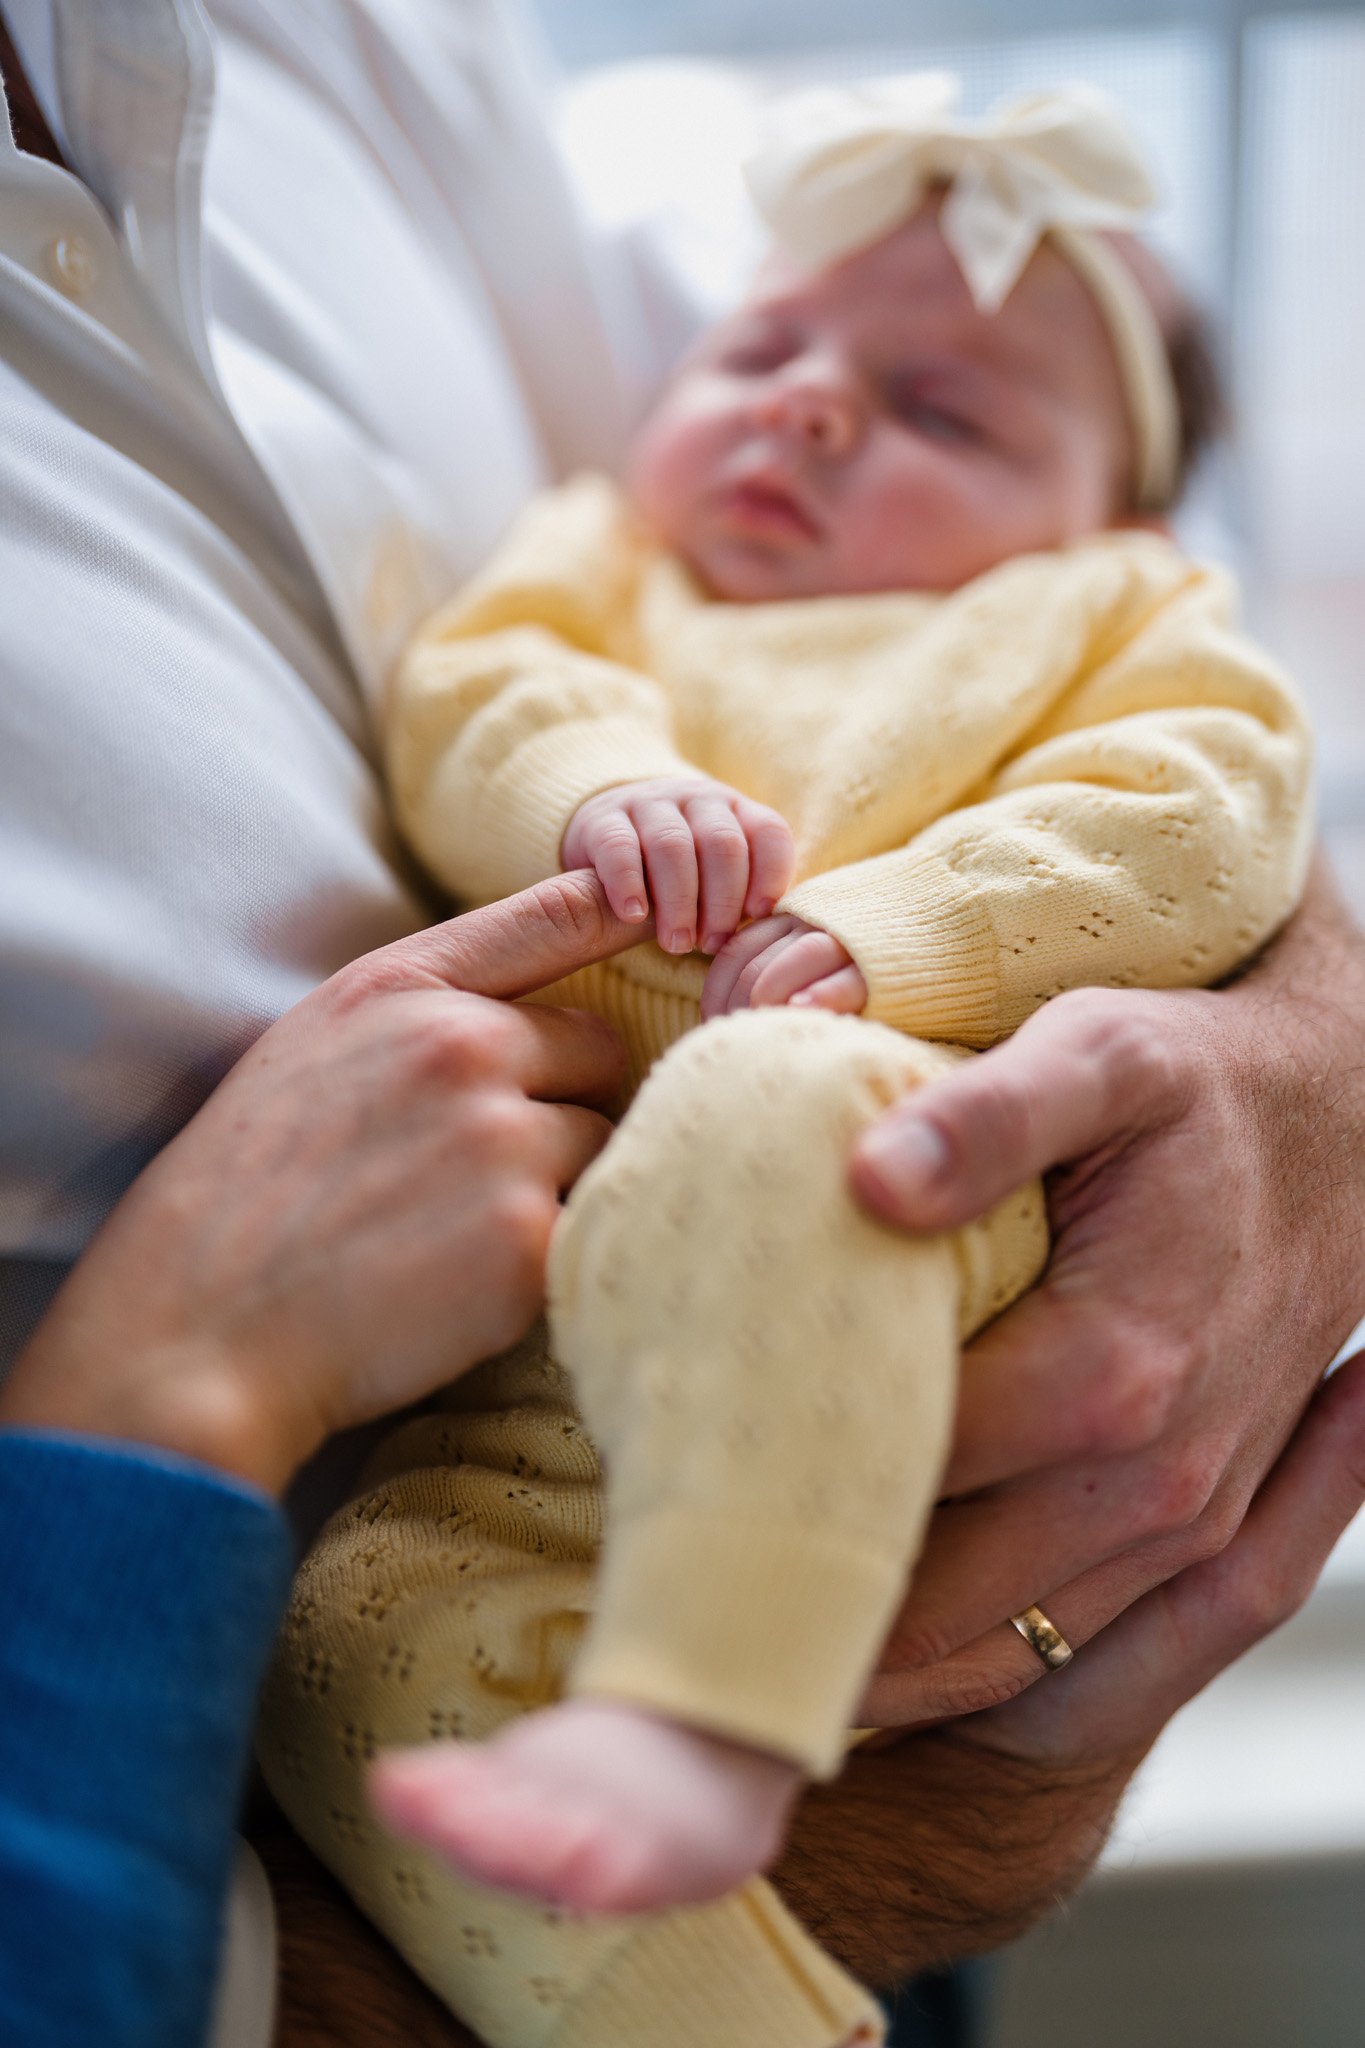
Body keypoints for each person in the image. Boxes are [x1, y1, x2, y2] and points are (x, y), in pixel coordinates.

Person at [2, 4, 1364, 2041]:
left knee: (771, 1098)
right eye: (761, 356)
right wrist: (587, 800)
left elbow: (1196, 812)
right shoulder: (606, 568)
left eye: (941, 413)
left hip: (887, 1184)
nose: (808, 405)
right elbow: (487, 695)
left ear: (1118, 526)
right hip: (516, 1379)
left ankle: (702, 1707)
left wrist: (899, 932)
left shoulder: (1102, 621)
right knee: (364, 1662)